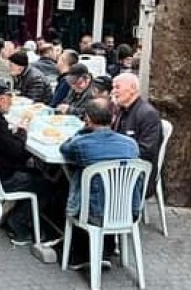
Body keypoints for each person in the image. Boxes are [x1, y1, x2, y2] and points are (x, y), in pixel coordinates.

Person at [0, 80, 52, 245]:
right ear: (1, 100)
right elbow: (18, 153)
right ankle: (20, 224)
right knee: (45, 184)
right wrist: (22, 131)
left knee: (36, 171)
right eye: (10, 100)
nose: (11, 104)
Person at [59, 98, 140, 270]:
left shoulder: (82, 143)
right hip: (125, 210)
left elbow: (64, 149)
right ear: (113, 119)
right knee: (105, 190)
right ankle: (106, 251)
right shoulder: (131, 144)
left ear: (87, 119)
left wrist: (81, 131)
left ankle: (79, 254)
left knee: (75, 188)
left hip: (93, 213)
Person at [112, 73, 162, 198]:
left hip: (138, 174)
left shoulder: (147, 114)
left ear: (133, 89)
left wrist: (114, 152)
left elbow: (146, 151)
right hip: (120, 166)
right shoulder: (121, 110)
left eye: (117, 87)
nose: (113, 92)